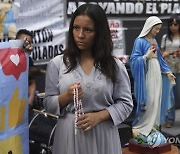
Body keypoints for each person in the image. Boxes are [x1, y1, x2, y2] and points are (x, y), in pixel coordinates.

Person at [43, 3, 133, 154]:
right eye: (76, 28)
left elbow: (126, 104)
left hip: (103, 135)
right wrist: (65, 97)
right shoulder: (57, 64)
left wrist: (99, 116)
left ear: (100, 32)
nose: (80, 35)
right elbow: (47, 104)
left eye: (88, 30)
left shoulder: (114, 66)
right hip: (69, 135)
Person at [129, 16, 175, 140]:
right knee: (149, 100)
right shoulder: (139, 41)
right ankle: (142, 126)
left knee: (156, 99)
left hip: (156, 74)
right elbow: (133, 60)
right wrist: (145, 57)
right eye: (156, 29)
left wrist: (168, 72)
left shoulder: (154, 41)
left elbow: (160, 59)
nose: (157, 31)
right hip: (147, 75)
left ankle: (153, 127)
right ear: (149, 27)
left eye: (159, 29)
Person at [161, 14, 180, 128]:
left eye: (176, 24)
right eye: (171, 24)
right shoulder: (165, 38)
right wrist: (165, 54)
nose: (173, 26)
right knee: (170, 95)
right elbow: (162, 52)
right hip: (169, 71)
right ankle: (170, 118)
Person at [16, 29, 36, 109]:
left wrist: (30, 100)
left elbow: (31, 82)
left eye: (29, 43)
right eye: (23, 42)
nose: (26, 45)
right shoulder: (5, 59)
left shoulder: (28, 61)